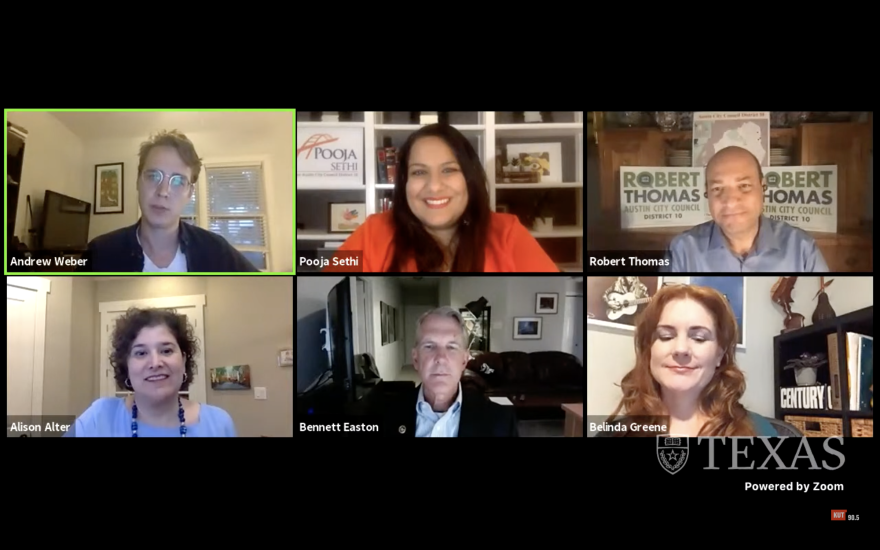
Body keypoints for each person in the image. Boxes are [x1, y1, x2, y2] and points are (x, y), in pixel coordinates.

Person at [323, 124, 559, 272]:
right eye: (419, 172)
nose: (434, 186)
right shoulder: (373, 232)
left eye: (449, 170)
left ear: (469, 177)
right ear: (404, 182)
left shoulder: (507, 233)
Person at [599, 284, 778, 437]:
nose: (681, 349)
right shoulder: (615, 433)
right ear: (649, 350)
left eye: (699, 338)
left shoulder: (760, 432)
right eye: (666, 336)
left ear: (719, 355)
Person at [79, 130, 259, 272]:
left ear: (189, 193)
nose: (163, 191)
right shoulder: (98, 253)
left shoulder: (216, 250)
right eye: (152, 176)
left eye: (179, 181)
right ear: (137, 182)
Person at [65, 308, 236, 437]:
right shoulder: (99, 417)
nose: (155, 363)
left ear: (183, 360)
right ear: (127, 366)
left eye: (166, 351)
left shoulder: (219, 423)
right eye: (141, 353)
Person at [351, 307, 519, 437]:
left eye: (451, 347)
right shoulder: (380, 415)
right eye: (429, 346)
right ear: (415, 359)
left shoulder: (501, 421)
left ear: (464, 360)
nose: (441, 358)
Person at [662, 146, 828, 272]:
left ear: (763, 187)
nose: (731, 201)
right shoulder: (682, 250)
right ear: (707, 193)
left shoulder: (801, 248)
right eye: (717, 189)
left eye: (744, 186)